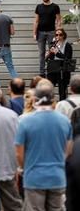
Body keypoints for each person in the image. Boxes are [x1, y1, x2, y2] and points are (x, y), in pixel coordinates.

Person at [15, 80, 72, 210]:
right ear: (53, 101)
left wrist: (26, 168)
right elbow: (68, 150)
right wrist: (59, 162)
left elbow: (19, 152)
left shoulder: (25, 121)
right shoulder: (64, 121)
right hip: (57, 175)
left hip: (34, 176)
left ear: (35, 100)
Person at [34, 0, 62, 76]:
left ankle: (51, 71)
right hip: (40, 33)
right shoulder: (39, 7)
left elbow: (59, 20)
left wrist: (57, 32)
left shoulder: (55, 7)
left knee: (52, 52)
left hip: (51, 32)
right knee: (41, 53)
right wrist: (34, 33)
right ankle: (42, 72)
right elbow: (36, 21)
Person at [46, 27, 74, 100]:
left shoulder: (68, 45)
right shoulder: (53, 45)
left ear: (64, 35)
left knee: (62, 90)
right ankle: (50, 103)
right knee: (49, 88)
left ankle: (62, 103)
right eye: (56, 35)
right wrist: (48, 55)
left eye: (60, 35)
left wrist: (57, 53)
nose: (58, 36)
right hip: (53, 69)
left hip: (63, 70)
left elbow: (67, 58)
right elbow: (49, 59)